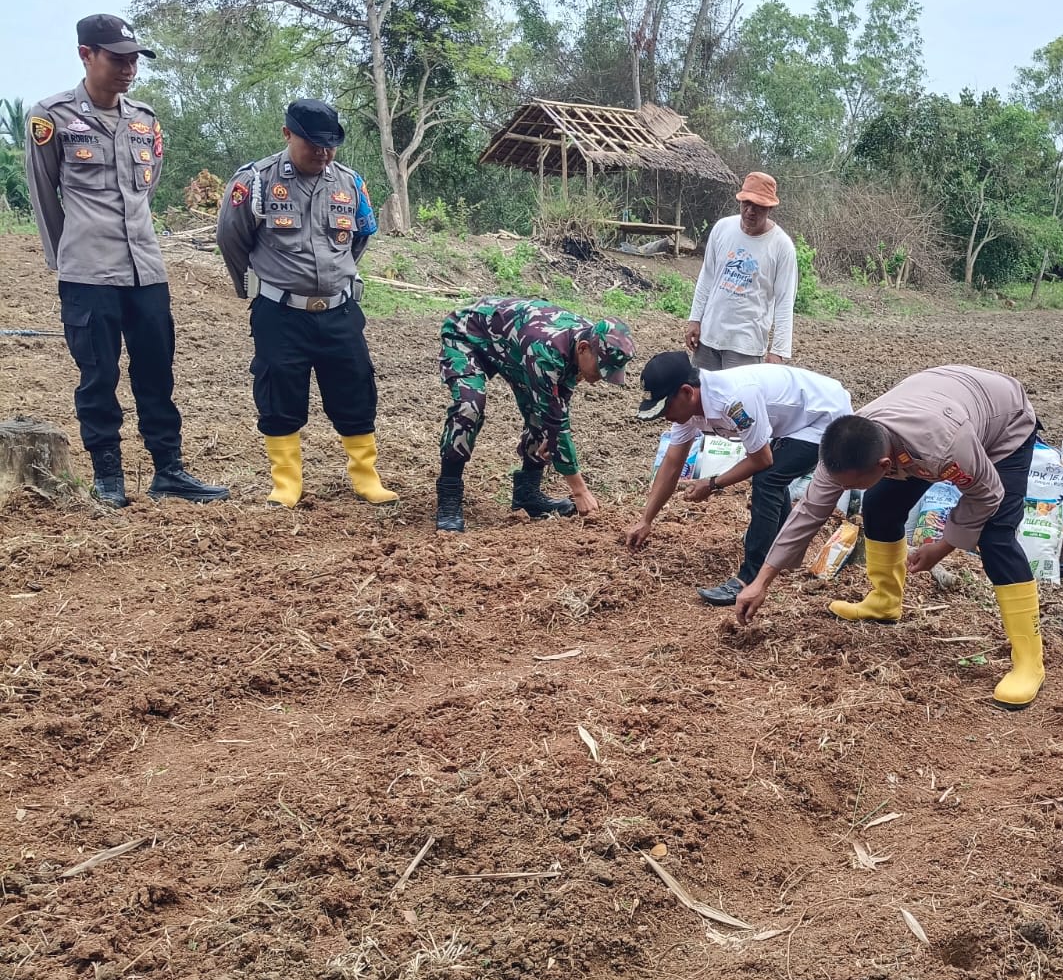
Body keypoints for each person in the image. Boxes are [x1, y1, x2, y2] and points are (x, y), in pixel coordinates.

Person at [734, 365, 1047, 710]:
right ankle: (885, 601)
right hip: (938, 398)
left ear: (884, 465)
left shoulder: (943, 448)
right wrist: (761, 581)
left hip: (1003, 421)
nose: (845, 491)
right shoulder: (842, 449)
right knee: (880, 507)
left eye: (851, 484)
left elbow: (987, 494)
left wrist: (942, 547)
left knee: (996, 538)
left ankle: (1029, 662)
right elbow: (809, 512)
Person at [24, 14, 228, 507]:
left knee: (157, 372)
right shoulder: (51, 117)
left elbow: (146, 186)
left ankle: (169, 470)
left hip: (146, 269)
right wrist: (67, 260)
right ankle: (108, 476)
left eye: (134, 59)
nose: (129, 69)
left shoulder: (145, 120)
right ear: (86, 55)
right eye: (117, 59)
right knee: (99, 376)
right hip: (88, 273)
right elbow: (44, 198)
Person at [215, 99, 392, 508]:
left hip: (339, 309)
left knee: (356, 386)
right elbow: (231, 239)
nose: (322, 153)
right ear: (287, 134)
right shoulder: (256, 180)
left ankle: (366, 476)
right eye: (313, 143)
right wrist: (257, 289)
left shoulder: (350, 183)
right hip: (279, 311)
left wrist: (335, 275)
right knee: (279, 389)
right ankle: (287, 482)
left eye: (330, 145)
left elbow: (361, 234)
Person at [624, 351, 852, 605]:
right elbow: (673, 462)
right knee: (773, 476)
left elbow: (761, 460)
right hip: (794, 420)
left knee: (768, 478)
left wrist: (712, 484)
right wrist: (646, 519)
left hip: (824, 417)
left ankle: (749, 578)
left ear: (687, 392)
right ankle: (786, 554)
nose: (665, 416)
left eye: (665, 407)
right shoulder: (688, 408)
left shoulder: (734, 400)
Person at [434, 299, 634, 532]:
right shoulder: (547, 349)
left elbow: (555, 408)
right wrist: (580, 490)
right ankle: (449, 495)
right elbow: (556, 419)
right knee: (469, 407)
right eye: (601, 369)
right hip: (468, 335)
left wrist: (550, 434)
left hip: (514, 346)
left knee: (544, 421)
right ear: (583, 349)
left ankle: (528, 495)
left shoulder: (588, 338)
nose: (600, 378)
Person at [684, 172, 797, 370]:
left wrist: (778, 351)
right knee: (701, 395)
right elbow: (707, 276)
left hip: (746, 344)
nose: (750, 211)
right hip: (709, 336)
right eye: (746, 203)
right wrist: (695, 319)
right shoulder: (722, 228)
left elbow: (784, 301)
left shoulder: (781, 246)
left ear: (770, 208)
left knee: (737, 400)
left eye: (759, 207)